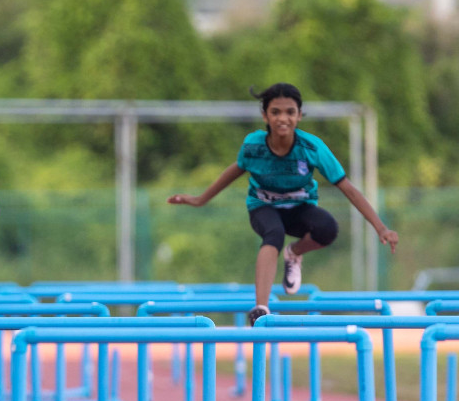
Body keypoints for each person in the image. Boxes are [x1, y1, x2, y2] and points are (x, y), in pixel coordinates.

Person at [168, 83, 399, 324]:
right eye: (275, 112)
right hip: (263, 207)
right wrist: (199, 199)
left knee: (328, 228)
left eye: (290, 112)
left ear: (299, 116)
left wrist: (380, 227)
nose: (283, 119)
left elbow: (348, 189)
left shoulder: (312, 148)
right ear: (265, 116)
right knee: (273, 233)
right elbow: (235, 170)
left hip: (299, 209)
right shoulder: (254, 145)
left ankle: (294, 253)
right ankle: (261, 308)